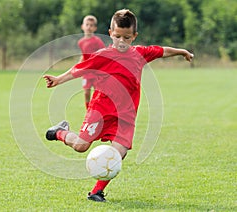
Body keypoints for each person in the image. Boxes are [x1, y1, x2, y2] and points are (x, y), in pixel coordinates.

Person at [43, 9, 194, 202]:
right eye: (117, 36)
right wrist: (58, 79)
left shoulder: (140, 53)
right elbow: (79, 69)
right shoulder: (103, 55)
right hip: (101, 110)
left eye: (127, 37)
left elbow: (162, 51)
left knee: (118, 154)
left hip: (126, 116)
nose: (122, 41)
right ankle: (60, 132)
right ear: (110, 33)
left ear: (134, 36)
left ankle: (96, 191)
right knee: (81, 146)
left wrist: (181, 52)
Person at [78, 15, 105, 109]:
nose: (89, 27)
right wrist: (78, 66)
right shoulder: (81, 42)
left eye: (91, 25)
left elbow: (103, 54)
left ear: (95, 28)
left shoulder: (97, 41)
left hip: (96, 72)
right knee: (86, 93)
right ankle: (88, 111)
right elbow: (83, 55)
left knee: (98, 94)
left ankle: (98, 110)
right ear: (82, 26)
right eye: (87, 24)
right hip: (86, 72)